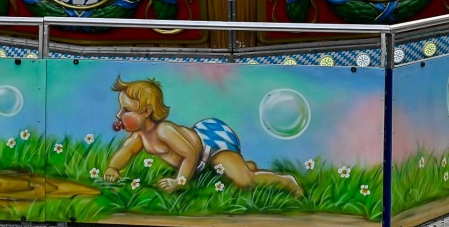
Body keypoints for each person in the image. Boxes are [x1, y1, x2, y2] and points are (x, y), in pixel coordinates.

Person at [104, 76, 302, 196]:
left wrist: (179, 182)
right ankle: (242, 165)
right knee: (231, 171)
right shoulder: (139, 137)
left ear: (146, 111)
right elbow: (126, 152)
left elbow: (190, 155)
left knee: (245, 181)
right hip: (201, 154)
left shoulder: (164, 131)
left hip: (211, 141)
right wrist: (113, 168)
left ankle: (287, 181)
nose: (118, 115)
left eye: (126, 110)